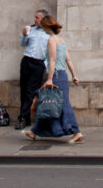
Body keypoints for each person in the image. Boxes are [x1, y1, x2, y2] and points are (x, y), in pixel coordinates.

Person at [25, 13, 82, 143]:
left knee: (57, 104)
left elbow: (52, 59)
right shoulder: (61, 40)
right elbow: (68, 60)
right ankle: (34, 132)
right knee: (48, 103)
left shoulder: (51, 40)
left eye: (43, 27)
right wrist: (74, 76)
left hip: (56, 75)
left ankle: (77, 131)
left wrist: (49, 78)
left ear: (46, 26)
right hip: (63, 74)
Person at [16, 8, 49, 130]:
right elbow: (23, 43)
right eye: (35, 17)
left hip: (38, 63)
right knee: (23, 90)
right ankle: (26, 118)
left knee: (31, 91)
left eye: (37, 17)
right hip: (27, 60)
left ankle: (22, 118)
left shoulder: (48, 33)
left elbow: (48, 52)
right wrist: (24, 35)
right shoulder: (30, 29)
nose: (34, 20)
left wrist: (46, 66)